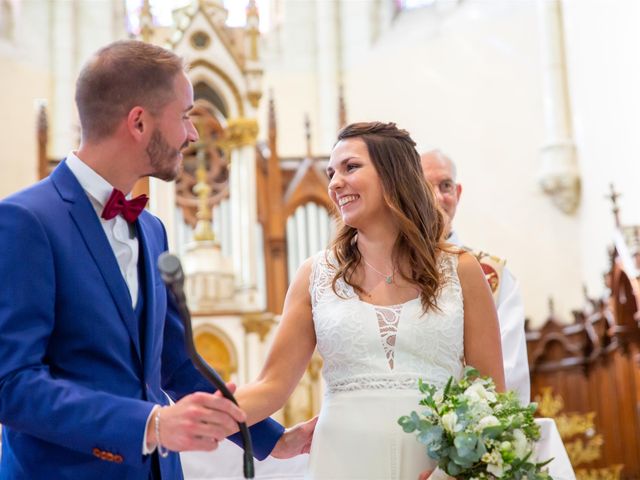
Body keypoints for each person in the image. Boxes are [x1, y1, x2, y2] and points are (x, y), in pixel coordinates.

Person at [0, 40, 310, 479]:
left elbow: (176, 363)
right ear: (139, 122)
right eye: (184, 116)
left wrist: (268, 437)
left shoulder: (151, 229)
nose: (193, 134)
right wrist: (151, 424)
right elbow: (10, 385)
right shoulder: (25, 221)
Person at [233, 122, 506, 480]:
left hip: (436, 468)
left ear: (394, 174)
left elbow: (493, 395)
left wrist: (454, 473)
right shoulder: (314, 275)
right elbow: (270, 386)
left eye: (350, 167)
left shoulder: (463, 270)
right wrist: (208, 411)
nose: (334, 183)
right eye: (331, 173)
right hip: (341, 462)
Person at [420, 150, 530, 404]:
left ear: (457, 193)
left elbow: (509, 365)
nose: (437, 197)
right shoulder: (393, 270)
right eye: (426, 186)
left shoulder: (493, 274)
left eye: (445, 186)